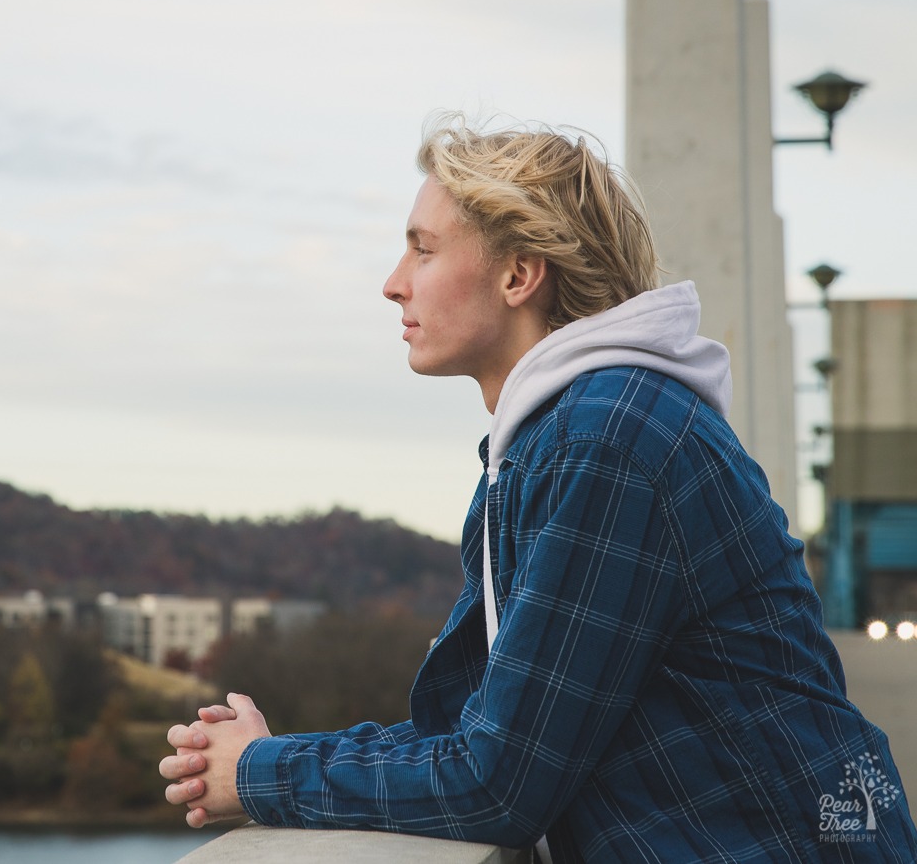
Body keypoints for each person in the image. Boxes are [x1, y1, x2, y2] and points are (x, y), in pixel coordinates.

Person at [158, 114, 917, 862]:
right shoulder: (566, 434)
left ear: (519, 275)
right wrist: (264, 753)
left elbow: (498, 783)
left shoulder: (607, 440)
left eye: (422, 250)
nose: (393, 284)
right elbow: (477, 725)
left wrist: (261, 773)